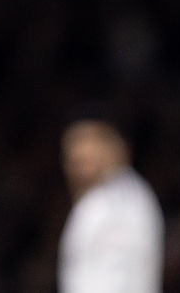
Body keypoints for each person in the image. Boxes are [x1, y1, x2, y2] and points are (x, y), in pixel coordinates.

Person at [58, 114, 163, 293]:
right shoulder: (118, 194)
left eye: (84, 158)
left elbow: (115, 280)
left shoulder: (115, 203)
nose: (76, 167)